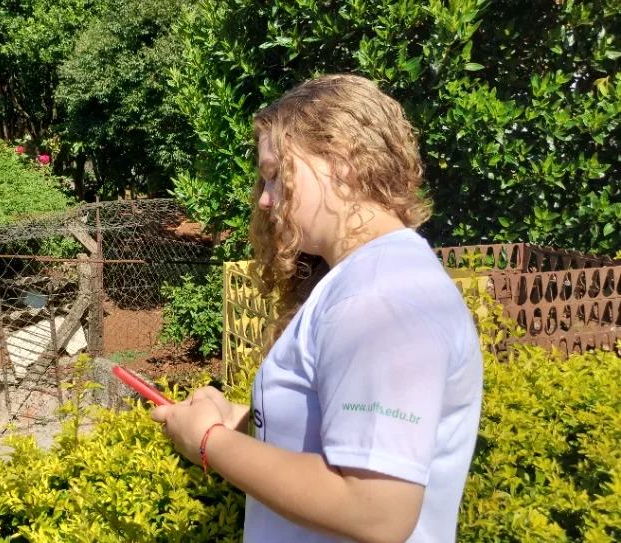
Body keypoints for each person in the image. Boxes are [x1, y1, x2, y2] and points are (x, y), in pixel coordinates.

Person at [151, 74, 483, 543]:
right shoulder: (368, 280)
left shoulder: (379, 300)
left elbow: (376, 511)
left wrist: (209, 443)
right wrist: (242, 422)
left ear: (342, 162)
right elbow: (345, 440)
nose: (265, 199)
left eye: (275, 174)